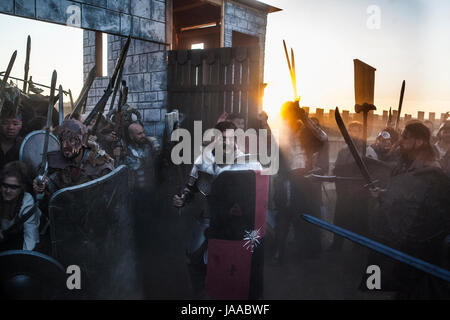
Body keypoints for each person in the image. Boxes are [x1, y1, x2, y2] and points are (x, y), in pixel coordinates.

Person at [172, 121, 262, 298]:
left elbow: (260, 195)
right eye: (222, 138)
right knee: (194, 257)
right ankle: (200, 296)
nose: (226, 142)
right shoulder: (202, 161)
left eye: (230, 138)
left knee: (249, 260)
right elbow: (190, 189)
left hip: (239, 222)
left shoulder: (250, 163)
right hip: (209, 218)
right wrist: (182, 199)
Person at [369, 122, 450, 299]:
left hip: (421, 243)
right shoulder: (411, 162)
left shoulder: (429, 169)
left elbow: (424, 207)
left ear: (419, 142)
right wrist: (383, 194)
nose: (401, 141)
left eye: (406, 137)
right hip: (406, 239)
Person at [272, 101, 328, 263]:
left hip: (303, 180)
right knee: (283, 216)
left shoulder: (305, 131)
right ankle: (278, 251)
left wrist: (305, 119)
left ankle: (304, 250)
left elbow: (322, 138)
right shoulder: (280, 131)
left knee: (303, 216)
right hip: (285, 179)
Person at [32, 119, 114, 195]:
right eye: (62, 140)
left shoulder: (100, 165)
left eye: (71, 140)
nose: (65, 146)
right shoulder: (53, 162)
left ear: (82, 142)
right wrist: (42, 184)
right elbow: (50, 188)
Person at [329, 121, 377, 251]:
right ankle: (337, 245)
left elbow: (371, 172)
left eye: (356, 131)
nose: (353, 134)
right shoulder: (343, 151)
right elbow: (337, 168)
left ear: (362, 133)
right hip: (343, 191)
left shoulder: (367, 150)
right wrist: (337, 172)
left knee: (359, 220)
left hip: (359, 192)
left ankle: (359, 247)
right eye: (351, 131)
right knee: (340, 218)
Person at [0, 161, 41, 251]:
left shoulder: (26, 202)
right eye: (5, 185)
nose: (7, 191)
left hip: (17, 241)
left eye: (13, 187)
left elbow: (31, 238)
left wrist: (23, 261)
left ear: (22, 187)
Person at [0, 96, 24, 171]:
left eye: (15, 124)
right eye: (5, 123)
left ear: (21, 125)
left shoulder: (24, 146)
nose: (10, 127)